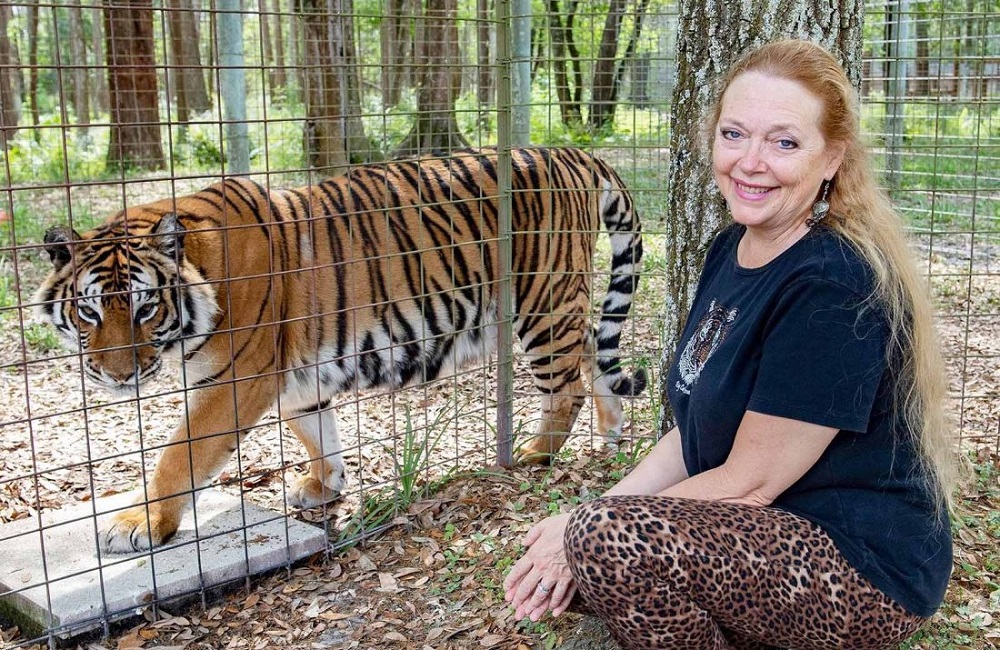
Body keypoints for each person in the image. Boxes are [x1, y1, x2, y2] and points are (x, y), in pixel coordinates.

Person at [503, 39, 958, 649]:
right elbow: (695, 437)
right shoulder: (731, 248)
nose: (750, 161)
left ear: (832, 159)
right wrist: (576, 522)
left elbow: (749, 484)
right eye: (734, 134)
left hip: (858, 568)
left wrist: (589, 530)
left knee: (604, 544)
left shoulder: (832, 283)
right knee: (579, 553)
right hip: (759, 537)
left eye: (785, 142)